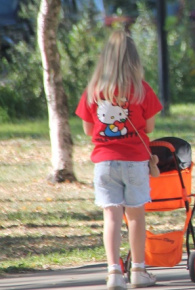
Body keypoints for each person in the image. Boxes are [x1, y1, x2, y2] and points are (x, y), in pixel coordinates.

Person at [75, 30, 162, 289]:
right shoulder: (141, 90)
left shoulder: (94, 90)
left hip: (104, 163)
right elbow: (149, 126)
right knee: (135, 216)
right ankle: (138, 270)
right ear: (134, 61)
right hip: (135, 161)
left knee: (111, 217)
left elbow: (88, 130)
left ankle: (113, 272)